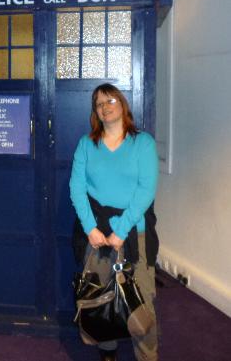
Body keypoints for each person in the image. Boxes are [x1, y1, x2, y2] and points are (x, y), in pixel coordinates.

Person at [70, 83, 159, 361]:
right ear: (95, 111)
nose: (105, 107)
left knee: (141, 300)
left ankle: (146, 355)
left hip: (134, 235)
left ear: (122, 105)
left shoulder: (142, 143)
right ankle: (107, 352)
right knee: (100, 297)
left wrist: (121, 229)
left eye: (110, 101)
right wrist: (90, 228)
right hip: (96, 235)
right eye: (99, 103)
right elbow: (76, 188)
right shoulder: (87, 144)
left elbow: (146, 190)